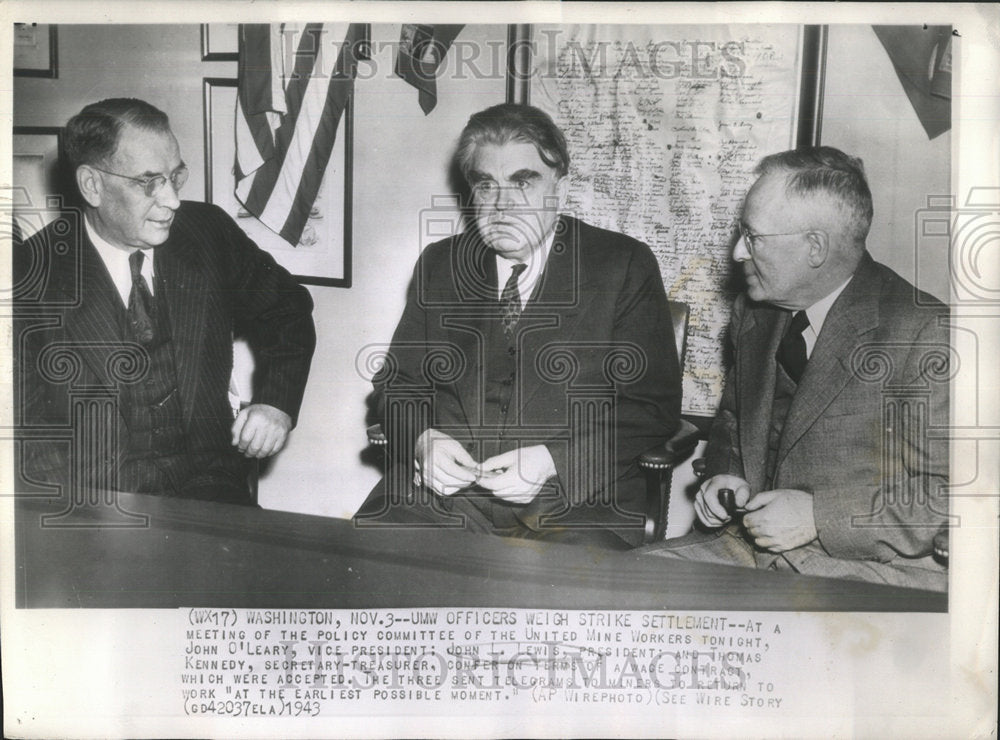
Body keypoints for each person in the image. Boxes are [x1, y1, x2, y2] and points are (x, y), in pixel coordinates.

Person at [355, 103, 681, 549]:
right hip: (441, 500)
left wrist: (553, 461)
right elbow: (397, 383)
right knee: (358, 567)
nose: (502, 206)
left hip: (576, 504)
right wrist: (422, 441)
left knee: (572, 589)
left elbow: (651, 408)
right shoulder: (440, 265)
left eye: (522, 183)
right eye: (486, 185)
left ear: (559, 189)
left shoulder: (622, 265)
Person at [645, 146, 950, 591]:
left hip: (862, 573)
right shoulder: (756, 312)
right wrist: (726, 475)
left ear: (815, 247)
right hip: (745, 550)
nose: (737, 252)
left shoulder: (926, 333)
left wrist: (817, 516)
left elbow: (955, 494)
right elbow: (733, 420)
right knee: (611, 589)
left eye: (753, 237)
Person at [14, 98, 316, 504]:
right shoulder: (28, 274)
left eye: (175, 177)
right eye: (149, 182)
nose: (172, 200)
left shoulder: (207, 233)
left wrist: (276, 404)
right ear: (92, 185)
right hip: (98, 504)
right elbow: (26, 437)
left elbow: (288, 309)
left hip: (214, 486)